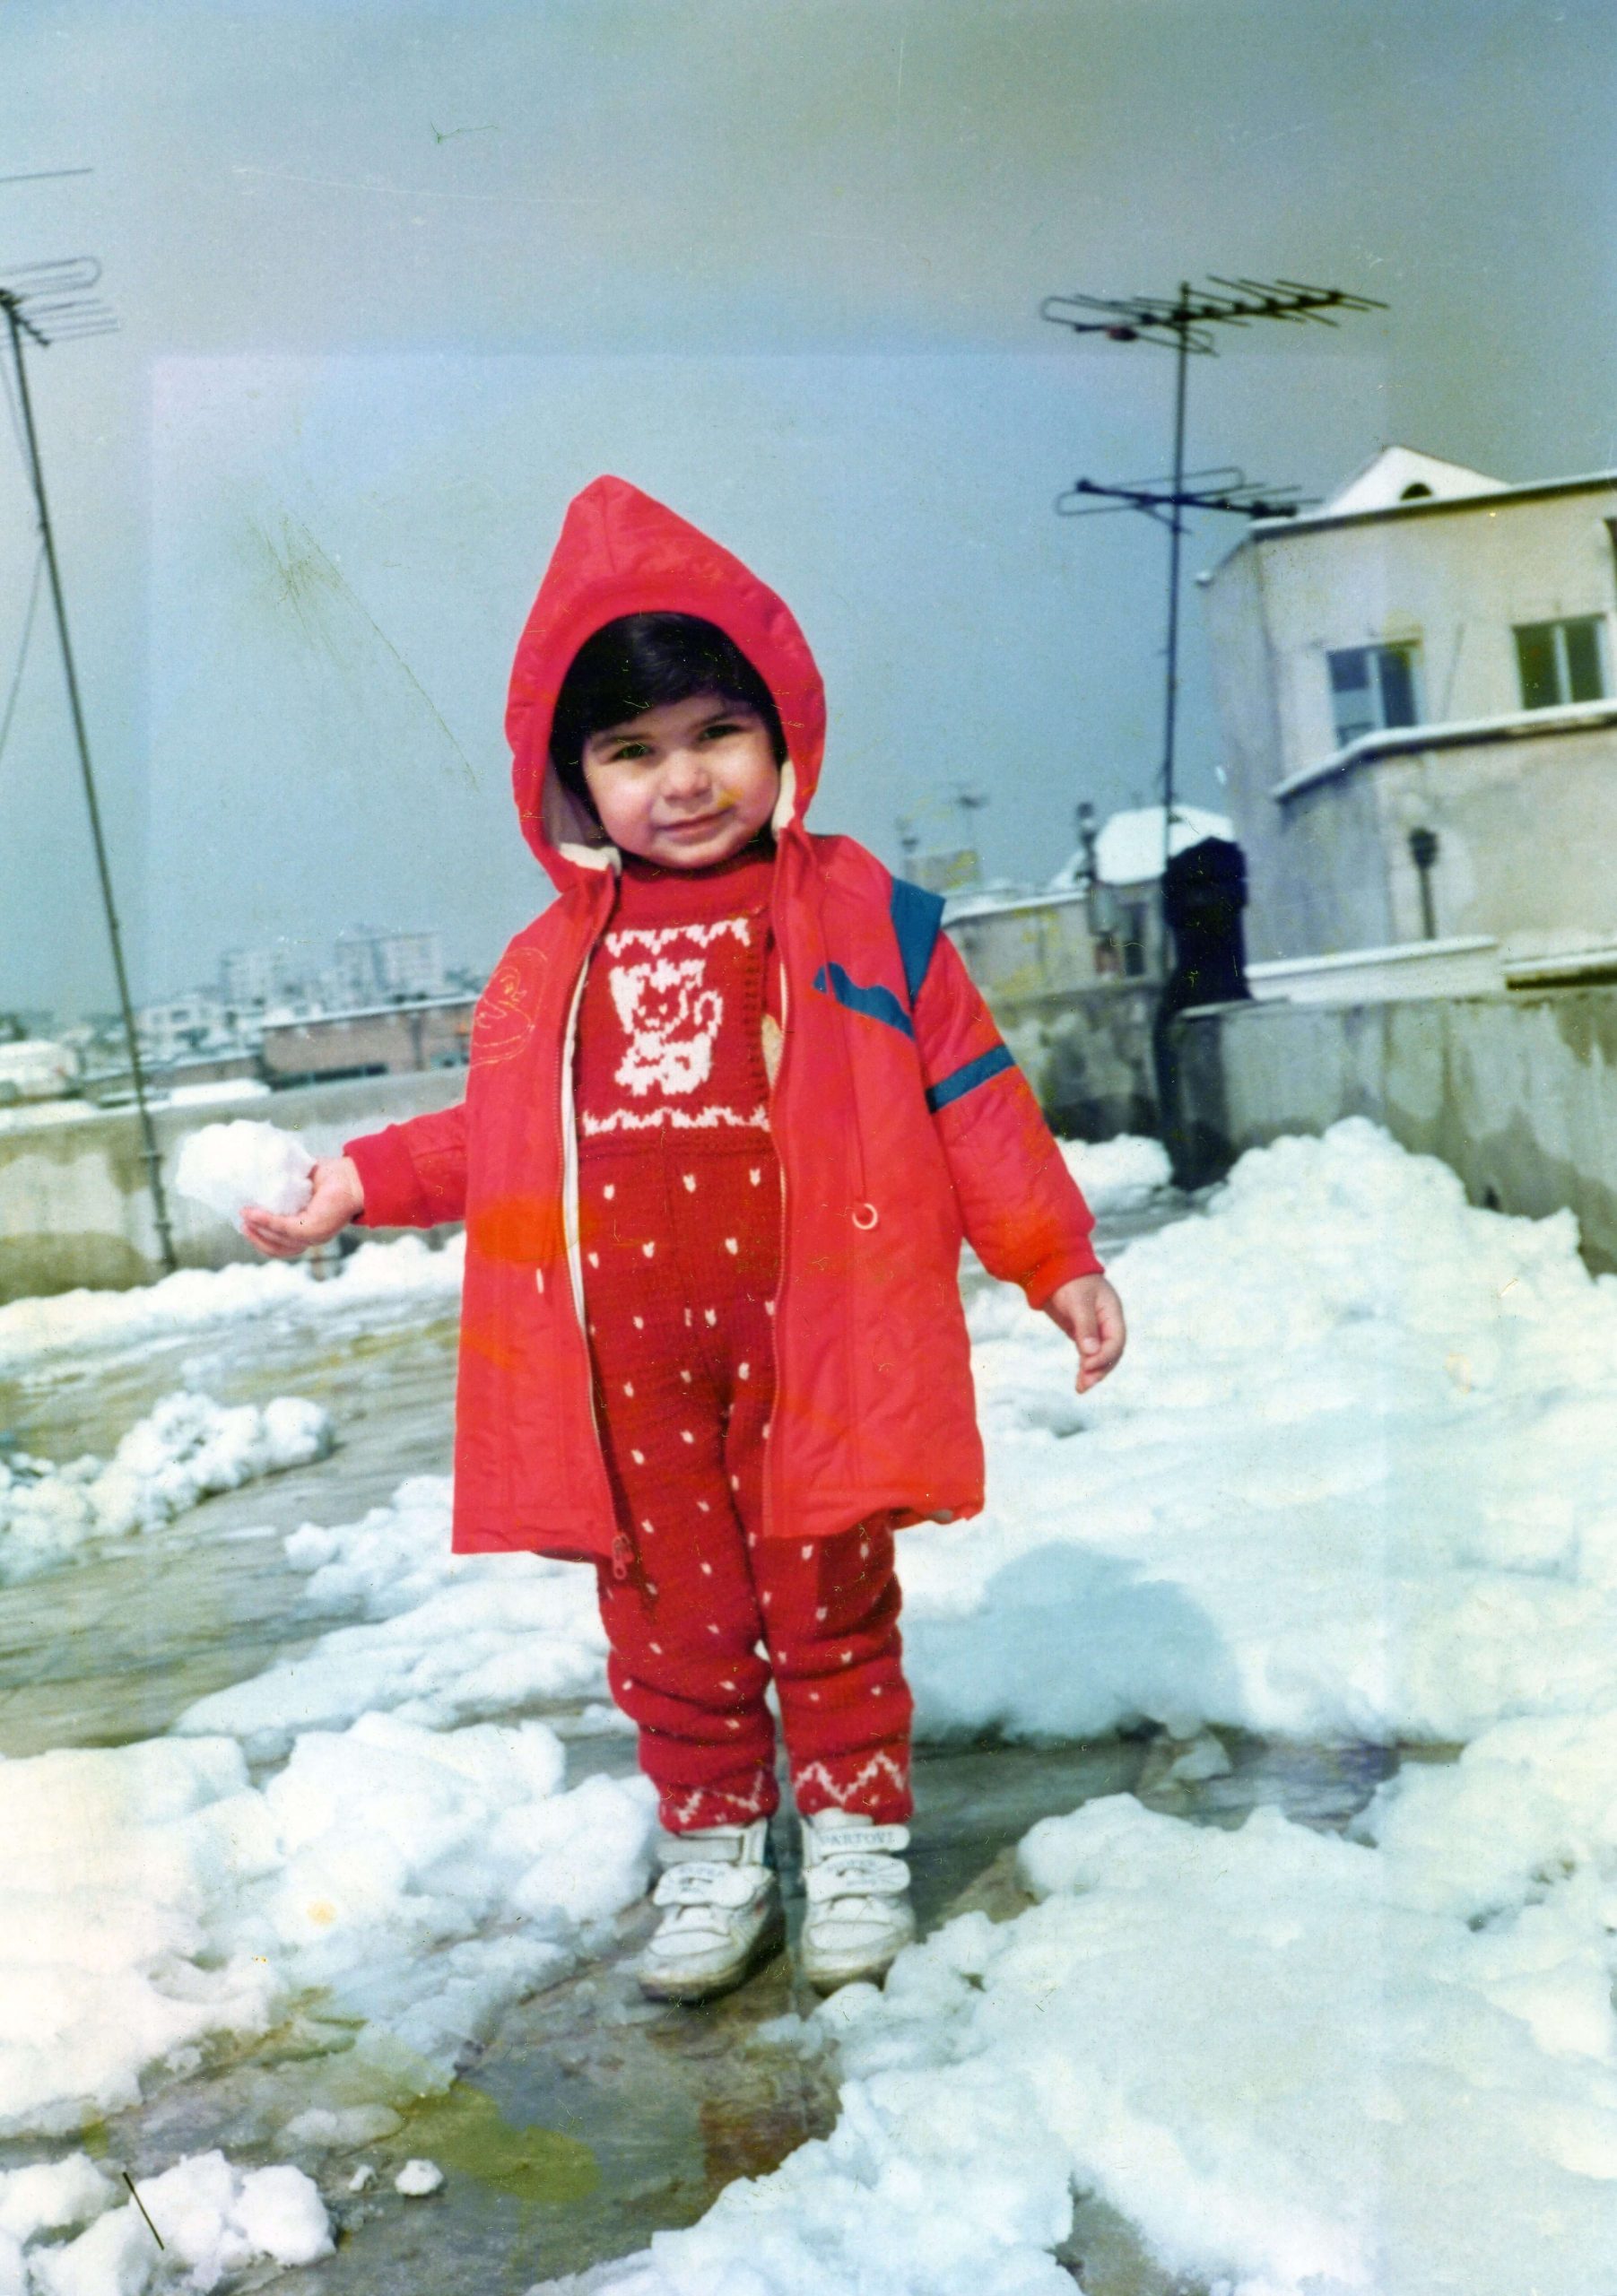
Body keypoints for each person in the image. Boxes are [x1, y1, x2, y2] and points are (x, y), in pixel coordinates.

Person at [244, 475, 1126, 2005]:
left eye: (719, 730)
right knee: (672, 1621)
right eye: (633, 752)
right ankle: (714, 1851)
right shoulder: (551, 964)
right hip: (628, 1375)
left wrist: (1056, 1257)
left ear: (783, 732)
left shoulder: (872, 916)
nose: (687, 778)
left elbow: (973, 1100)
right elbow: (501, 1139)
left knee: (827, 1603)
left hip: (815, 1351)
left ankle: (852, 1835)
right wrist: (358, 1183)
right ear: (575, 787)